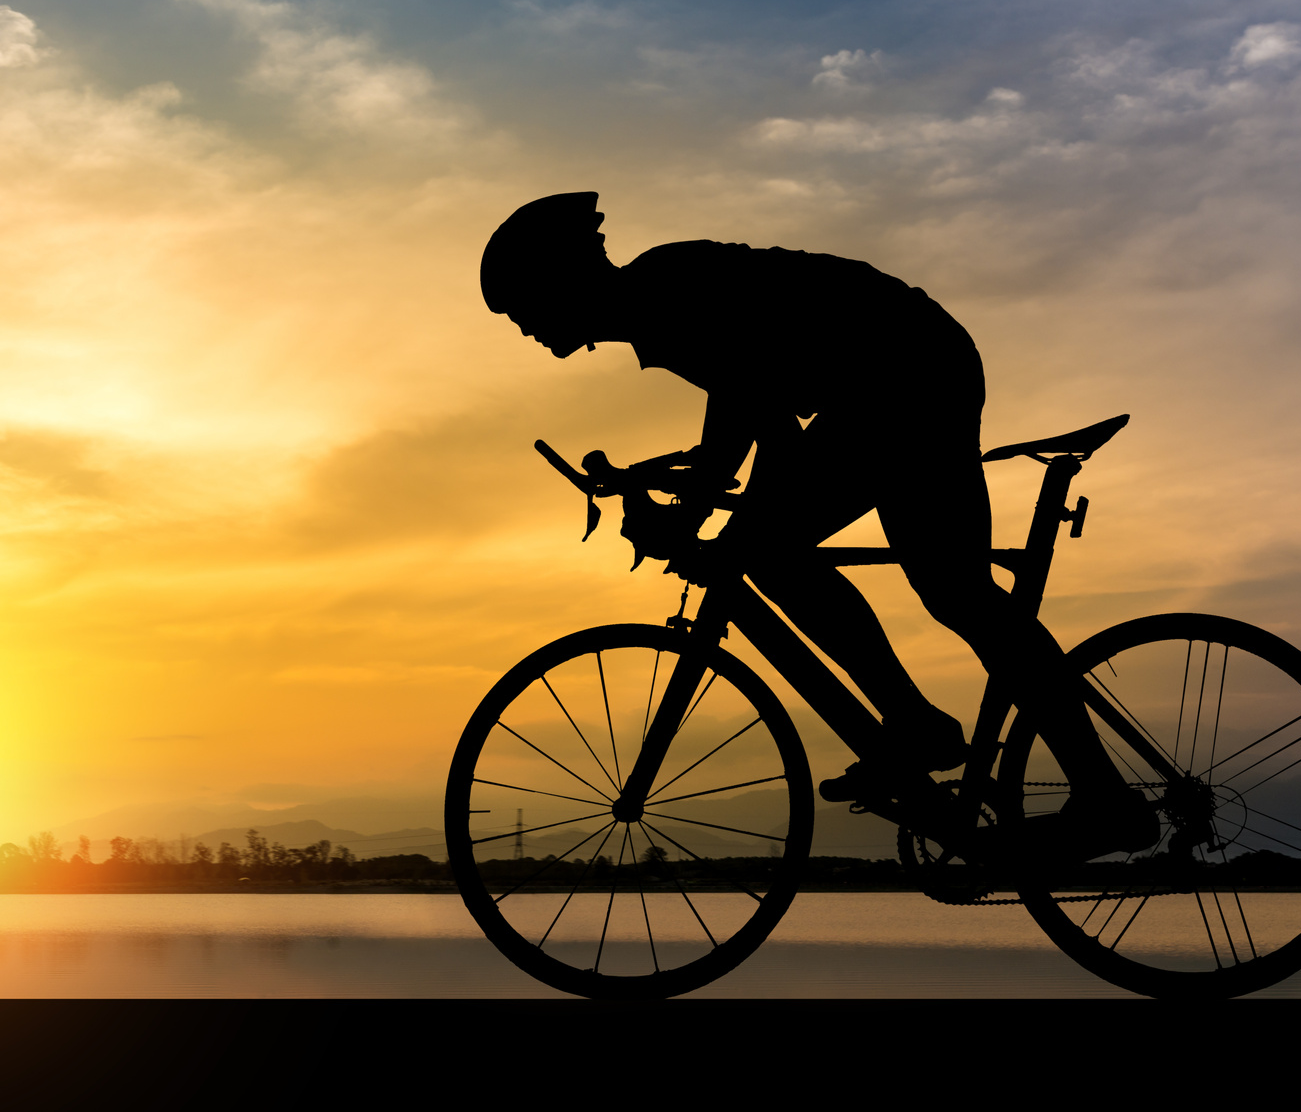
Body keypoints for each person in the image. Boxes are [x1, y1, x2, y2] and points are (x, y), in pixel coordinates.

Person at [479, 190, 1157, 861]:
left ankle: (1027, 769)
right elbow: (739, 413)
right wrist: (695, 506)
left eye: (521, 310)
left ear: (558, 283)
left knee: (842, 566)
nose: (524, 329)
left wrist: (708, 522)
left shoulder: (665, 288)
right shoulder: (657, 303)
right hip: (894, 371)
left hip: (904, 370)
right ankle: (935, 731)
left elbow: (761, 411)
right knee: (933, 586)